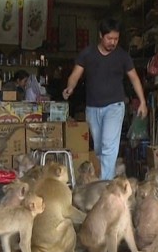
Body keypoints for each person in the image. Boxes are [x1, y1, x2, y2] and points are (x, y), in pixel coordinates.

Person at [63, 18, 148, 180]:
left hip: (115, 106)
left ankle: (105, 183)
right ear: (101, 35)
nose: (113, 42)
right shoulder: (87, 54)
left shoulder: (122, 56)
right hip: (93, 108)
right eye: (109, 38)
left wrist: (142, 101)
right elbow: (75, 74)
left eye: (116, 39)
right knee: (99, 148)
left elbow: (134, 78)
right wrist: (70, 87)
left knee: (109, 145)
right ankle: (105, 175)